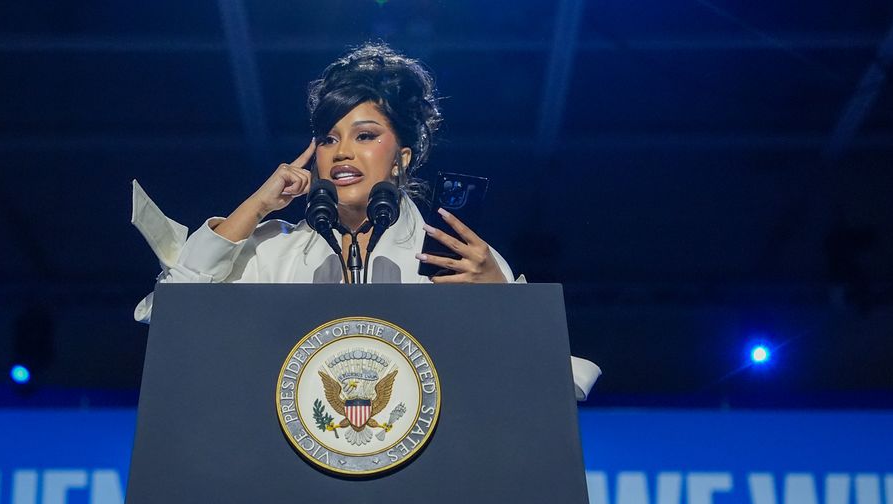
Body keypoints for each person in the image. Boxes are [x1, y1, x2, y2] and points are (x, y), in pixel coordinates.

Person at [132, 43, 599, 398]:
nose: (344, 153)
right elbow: (171, 313)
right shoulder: (273, 250)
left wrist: (500, 298)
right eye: (329, 139)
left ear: (402, 156)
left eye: (366, 135)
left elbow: (563, 384)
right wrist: (256, 207)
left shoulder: (454, 255)